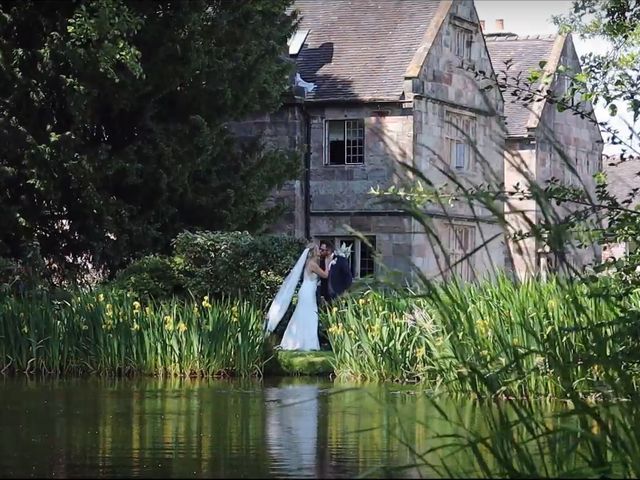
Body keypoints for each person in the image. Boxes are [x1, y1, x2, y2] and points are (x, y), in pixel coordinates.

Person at [265, 243, 328, 351]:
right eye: (318, 249)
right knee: (309, 315)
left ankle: (300, 341)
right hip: (307, 293)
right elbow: (325, 275)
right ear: (313, 252)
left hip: (308, 291)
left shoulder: (310, 262)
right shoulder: (312, 264)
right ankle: (307, 343)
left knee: (304, 315)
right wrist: (328, 263)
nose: (320, 251)